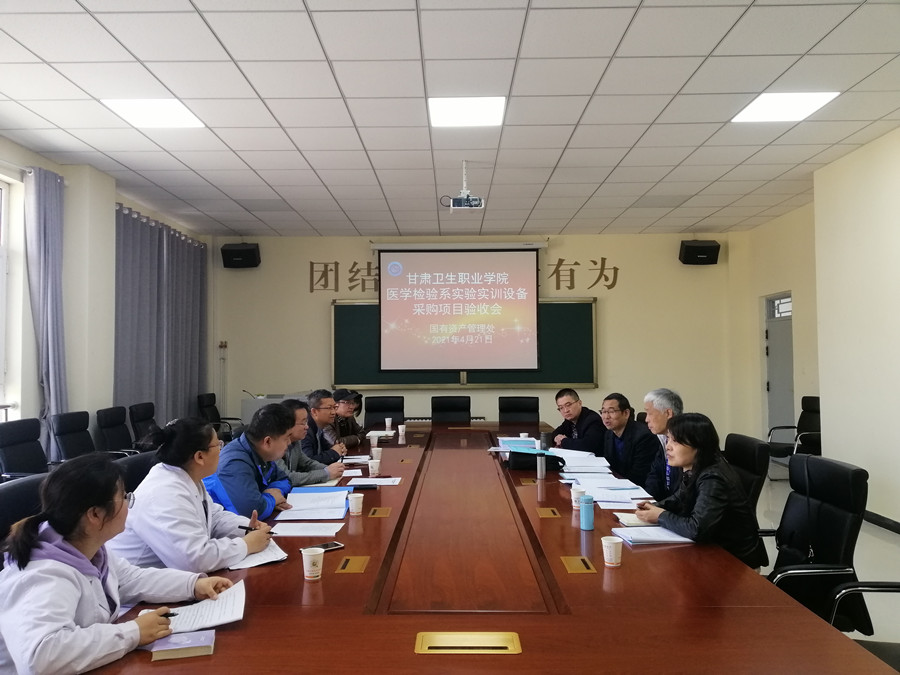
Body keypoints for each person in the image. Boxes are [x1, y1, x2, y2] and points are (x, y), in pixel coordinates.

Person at [0, 453, 232, 675]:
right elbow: (40, 658)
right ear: (95, 515)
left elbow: (132, 578)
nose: (128, 503)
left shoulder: (88, 549)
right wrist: (133, 632)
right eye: (123, 497)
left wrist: (192, 585)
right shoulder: (41, 575)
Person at [108, 418, 272, 572]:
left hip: (170, 578)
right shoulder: (164, 493)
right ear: (199, 456)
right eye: (218, 445)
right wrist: (246, 545)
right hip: (136, 586)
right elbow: (194, 561)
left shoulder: (188, 476)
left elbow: (214, 517)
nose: (221, 450)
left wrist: (247, 527)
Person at [634, 413, 767, 569]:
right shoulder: (696, 467)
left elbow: (697, 529)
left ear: (698, 445)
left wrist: (660, 516)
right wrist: (655, 506)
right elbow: (680, 497)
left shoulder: (713, 477)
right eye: (668, 439)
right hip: (711, 550)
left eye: (675, 441)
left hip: (735, 564)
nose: (668, 446)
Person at [204, 403, 294, 519]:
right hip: (217, 526)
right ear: (267, 442)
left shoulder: (260, 453)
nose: (289, 442)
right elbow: (251, 512)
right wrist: (272, 498)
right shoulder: (234, 463)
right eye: (286, 438)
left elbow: (285, 480)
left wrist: (273, 492)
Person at [277, 399, 345, 486]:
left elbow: (307, 463)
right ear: (287, 424)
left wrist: (331, 469)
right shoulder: (274, 445)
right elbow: (288, 477)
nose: (307, 427)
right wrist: (326, 473)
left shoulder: (296, 441)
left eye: (306, 422)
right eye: (303, 423)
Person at [600, 392, 659, 486]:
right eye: (603, 412)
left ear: (626, 413)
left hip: (637, 487)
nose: (606, 417)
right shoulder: (609, 434)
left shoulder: (643, 437)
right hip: (616, 484)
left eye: (611, 411)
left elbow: (639, 475)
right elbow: (609, 465)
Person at [642, 388, 685, 500]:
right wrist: (647, 500)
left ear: (668, 413)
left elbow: (684, 491)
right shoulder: (662, 438)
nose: (646, 419)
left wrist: (659, 507)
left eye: (649, 413)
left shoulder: (686, 443)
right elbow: (654, 475)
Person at [551, 388, 605, 453]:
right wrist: (556, 438)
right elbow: (555, 433)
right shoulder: (569, 420)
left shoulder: (593, 420)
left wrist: (563, 441)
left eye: (568, 405)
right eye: (561, 408)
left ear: (579, 403)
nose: (565, 410)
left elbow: (588, 445)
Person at [302, 389, 347, 465]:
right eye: (329, 408)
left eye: (334, 407)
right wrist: (334, 453)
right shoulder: (305, 430)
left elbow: (325, 451)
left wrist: (339, 449)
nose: (334, 412)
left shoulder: (320, 427)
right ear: (314, 412)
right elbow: (308, 462)